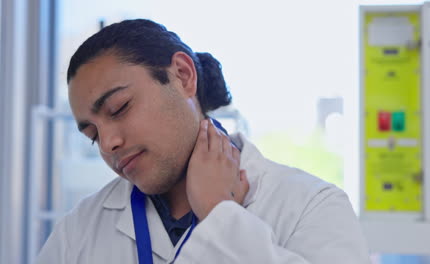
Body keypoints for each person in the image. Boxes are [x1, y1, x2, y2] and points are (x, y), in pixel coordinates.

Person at [37, 19, 370, 264]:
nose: (108, 143)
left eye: (119, 108)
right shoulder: (77, 232)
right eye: (92, 136)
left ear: (182, 76)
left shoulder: (311, 207)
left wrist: (221, 217)